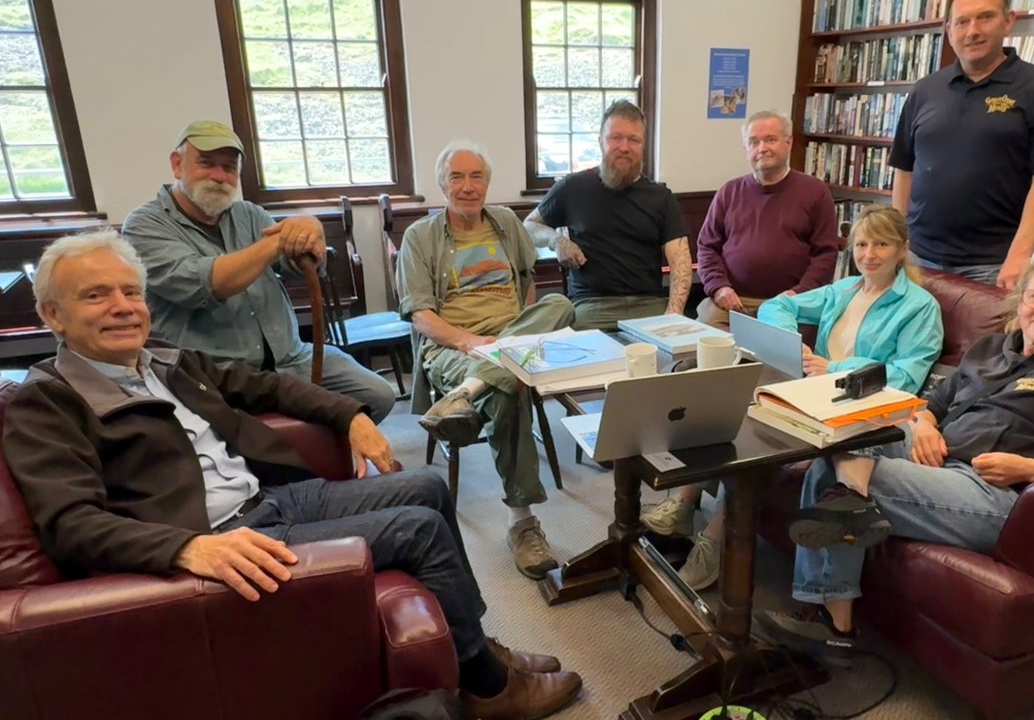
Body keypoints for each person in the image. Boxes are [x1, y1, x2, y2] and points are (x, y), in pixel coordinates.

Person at [2, 230, 583, 719]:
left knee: (426, 486)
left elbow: (269, 386)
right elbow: (70, 523)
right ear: (52, 314)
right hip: (231, 536)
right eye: (96, 296)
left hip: (271, 497)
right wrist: (184, 549)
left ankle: (474, 645)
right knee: (419, 528)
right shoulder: (46, 403)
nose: (123, 306)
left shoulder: (161, 360)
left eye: (131, 291)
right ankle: (487, 688)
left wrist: (351, 414)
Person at [755, 247, 1034, 663]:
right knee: (848, 429)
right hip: (936, 455)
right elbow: (927, 407)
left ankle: (834, 621)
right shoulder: (991, 349)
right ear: (1021, 301)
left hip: (994, 491)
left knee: (841, 473)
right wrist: (924, 426)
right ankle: (846, 551)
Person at [641, 206, 942, 588]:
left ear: (902, 249)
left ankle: (713, 542)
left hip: (860, 405)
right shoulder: (845, 290)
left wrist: (831, 367)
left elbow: (905, 377)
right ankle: (685, 504)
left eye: (882, 244)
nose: (869, 255)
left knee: (760, 440)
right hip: (814, 388)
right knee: (727, 404)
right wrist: (794, 345)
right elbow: (777, 305)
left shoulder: (919, 306)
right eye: (862, 244)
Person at [122, 120, 395, 423]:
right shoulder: (144, 225)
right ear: (177, 164)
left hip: (290, 358)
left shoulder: (249, 214)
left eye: (229, 167)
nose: (219, 176)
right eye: (206, 163)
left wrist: (309, 233)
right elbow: (205, 284)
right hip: (212, 373)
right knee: (248, 438)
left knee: (376, 395)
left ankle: (319, 458)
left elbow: (298, 267)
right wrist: (278, 241)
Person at [399, 141, 575, 580]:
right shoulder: (419, 238)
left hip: (509, 342)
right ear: (442, 185)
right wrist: (468, 342)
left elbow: (528, 288)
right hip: (452, 347)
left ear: (487, 183)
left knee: (561, 304)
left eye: (476, 176)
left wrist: (514, 339)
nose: (467, 186)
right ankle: (522, 523)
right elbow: (421, 317)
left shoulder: (506, 224)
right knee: (509, 385)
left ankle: (466, 394)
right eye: (456, 177)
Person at [889, 0, 1034, 290]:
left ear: (1008, 21)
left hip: (994, 264)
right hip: (918, 259)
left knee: (982, 342)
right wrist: (897, 243)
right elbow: (904, 170)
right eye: (962, 21)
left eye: (984, 17)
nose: (972, 30)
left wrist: (1020, 255)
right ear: (949, 31)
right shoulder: (925, 90)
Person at [523, 100, 692, 331]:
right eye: (616, 137)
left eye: (634, 139)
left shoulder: (661, 197)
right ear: (601, 142)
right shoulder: (572, 187)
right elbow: (529, 225)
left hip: (649, 306)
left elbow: (680, 262)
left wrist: (674, 314)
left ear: (643, 146)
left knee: (688, 360)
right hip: (591, 307)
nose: (624, 146)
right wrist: (557, 240)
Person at [696, 110, 839, 328]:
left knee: (778, 355)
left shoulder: (815, 192)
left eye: (770, 140)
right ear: (746, 149)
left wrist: (797, 295)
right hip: (733, 302)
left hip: (790, 303)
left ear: (789, 143)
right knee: (704, 342)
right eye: (754, 142)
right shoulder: (729, 192)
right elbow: (707, 248)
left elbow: (825, 256)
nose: (762, 148)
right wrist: (719, 288)